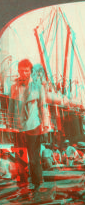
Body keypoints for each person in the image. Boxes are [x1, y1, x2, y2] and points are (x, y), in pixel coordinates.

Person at [8, 60, 52, 194]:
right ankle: (23, 185)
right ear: (18, 71)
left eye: (26, 71)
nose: (23, 73)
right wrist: (11, 125)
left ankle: (38, 183)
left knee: (34, 158)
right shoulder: (14, 88)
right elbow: (10, 108)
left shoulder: (38, 87)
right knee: (20, 157)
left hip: (34, 126)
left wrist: (45, 125)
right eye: (21, 71)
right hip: (19, 127)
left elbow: (43, 107)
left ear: (30, 72)